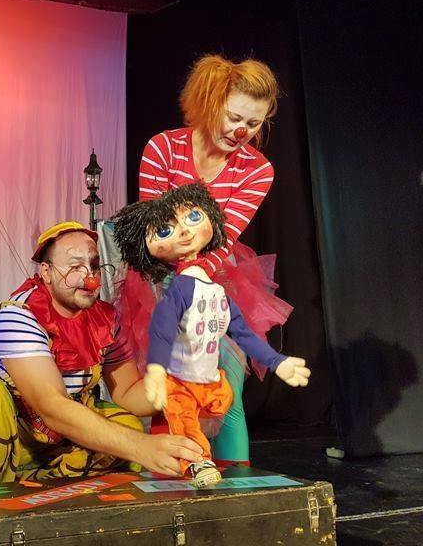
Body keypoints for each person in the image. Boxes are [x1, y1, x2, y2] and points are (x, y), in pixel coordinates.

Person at [0, 221, 205, 486]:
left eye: (94, 266)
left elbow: (128, 393)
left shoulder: (106, 321)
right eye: (75, 267)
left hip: (53, 436)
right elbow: (50, 405)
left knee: (127, 425)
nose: (91, 280)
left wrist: (181, 384)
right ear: (46, 272)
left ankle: (50, 491)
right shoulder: (19, 317)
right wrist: (142, 447)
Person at [136, 53, 293, 466]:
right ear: (208, 102)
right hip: (155, 277)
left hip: (218, 278)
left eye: (253, 124)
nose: (242, 132)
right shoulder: (163, 148)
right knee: (166, 390)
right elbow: (153, 230)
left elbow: (225, 237)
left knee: (225, 389)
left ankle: (237, 484)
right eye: (234, 117)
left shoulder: (257, 170)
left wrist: (196, 281)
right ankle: (166, 480)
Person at [112, 182, 309, 487]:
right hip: (180, 381)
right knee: (183, 419)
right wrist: (156, 370)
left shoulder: (216, 290)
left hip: (209, 381)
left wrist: (276, 361)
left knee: (227, 401)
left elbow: (242, 332)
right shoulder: (179, 289)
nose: (184, 232)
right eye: (165, 230)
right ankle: (199, 462)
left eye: (192, 217)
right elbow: (162, 330)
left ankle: (232, 469)